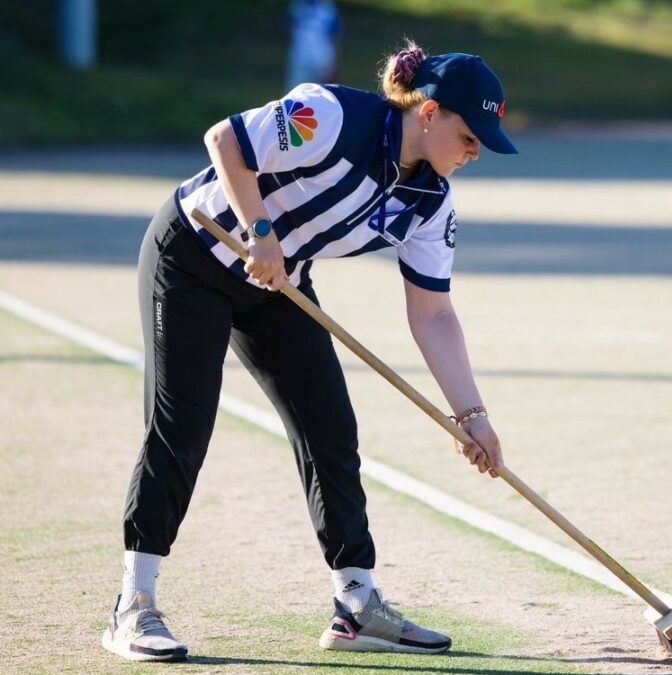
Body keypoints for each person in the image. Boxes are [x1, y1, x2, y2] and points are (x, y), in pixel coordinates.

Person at [100, 41, 517, 662]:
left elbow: (433, 313)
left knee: (329, 429)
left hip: (278, 282)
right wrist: (260, 231)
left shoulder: (430, 203)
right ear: (428, 112)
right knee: (182, 424)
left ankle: (356, 604)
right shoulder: (331, 117)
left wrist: (471, 415)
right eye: (469, 134)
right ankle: (134, 606)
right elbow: (225, 142)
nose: (474, 150)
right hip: (193, 256)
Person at [285, 0, 341, 90]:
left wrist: (334, 64)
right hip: (302, 56)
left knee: (320, 92)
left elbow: (333, 37)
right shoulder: (299, 4)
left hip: (322, 57)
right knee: (295, 92)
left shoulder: (328, 8)